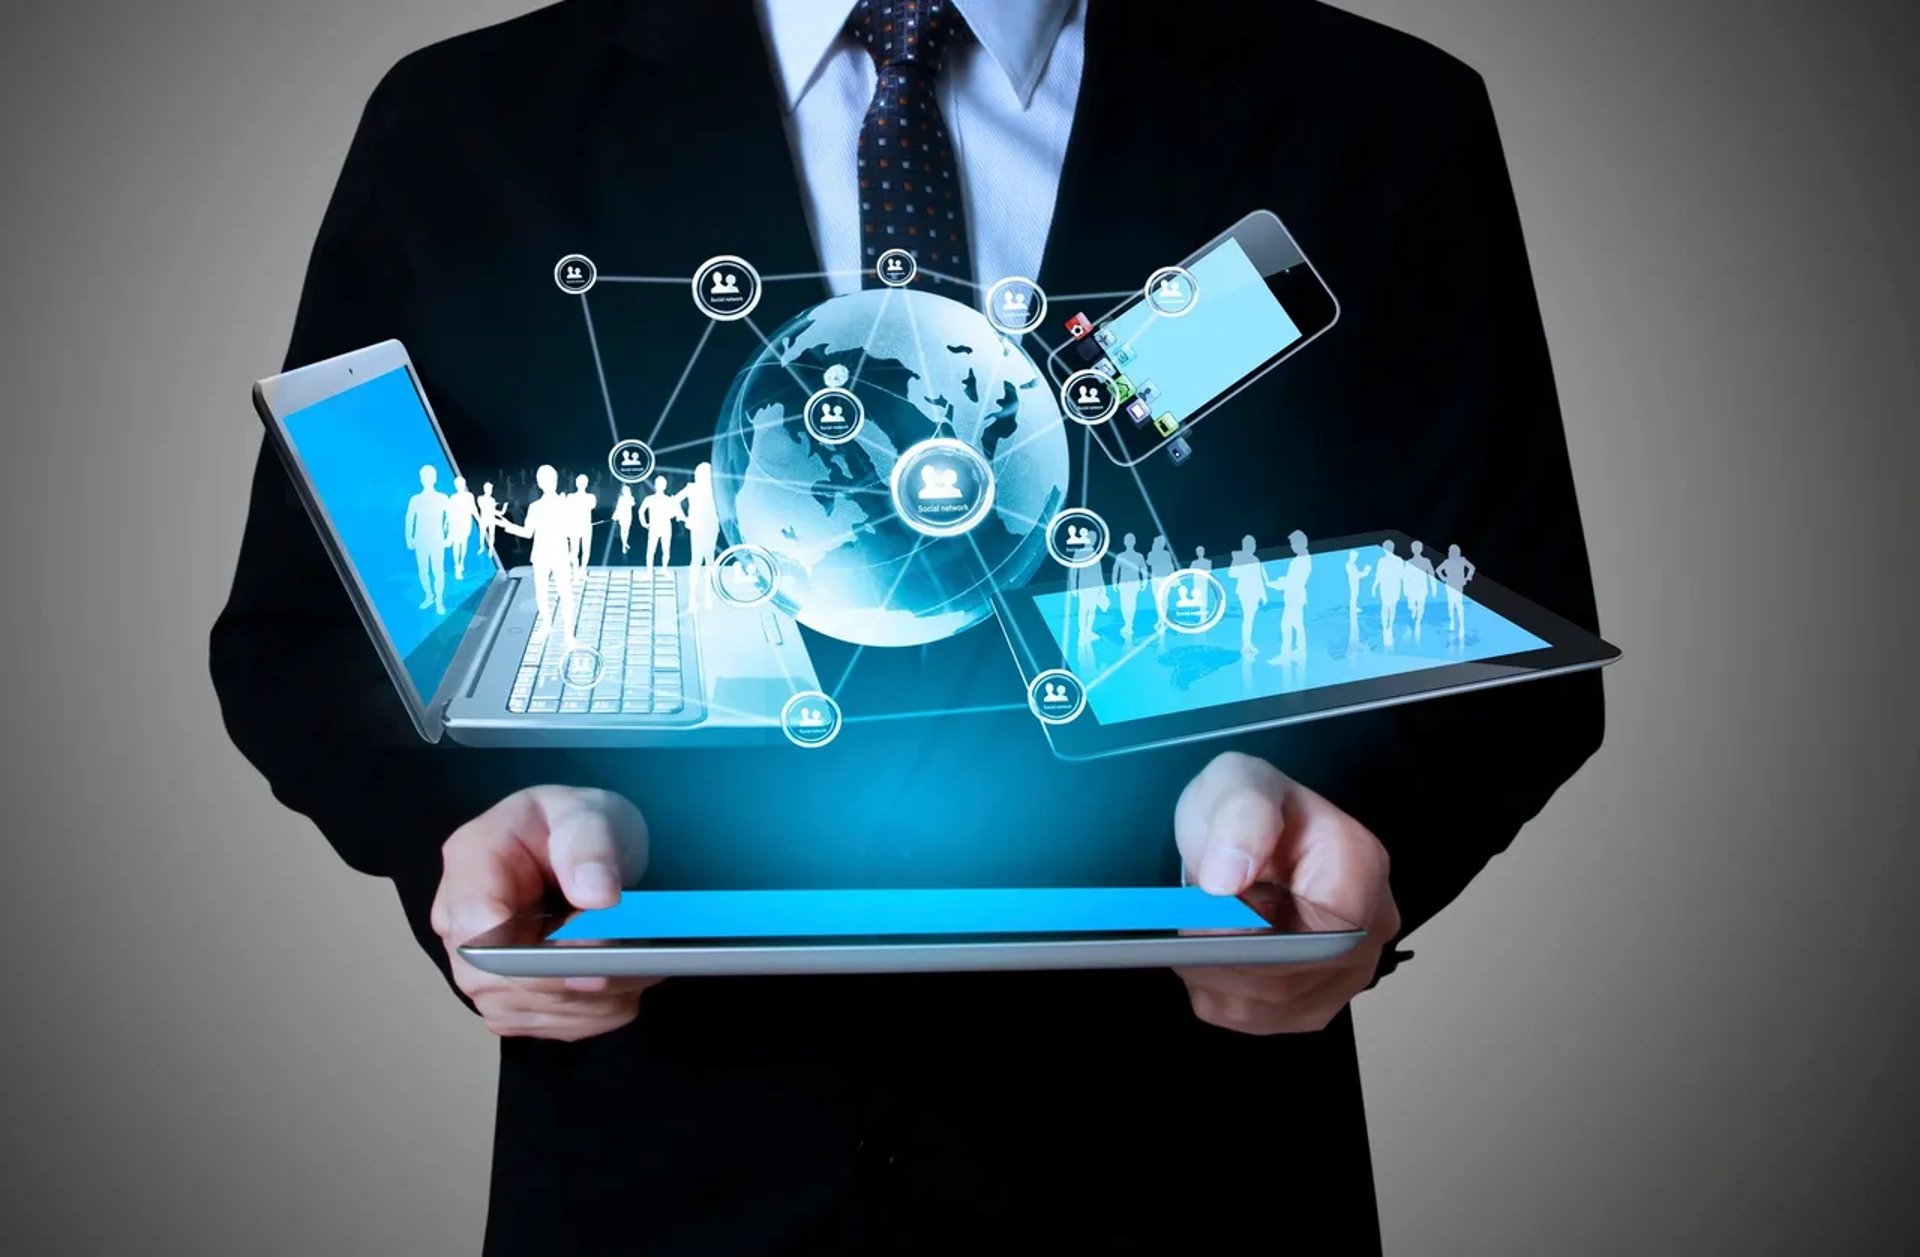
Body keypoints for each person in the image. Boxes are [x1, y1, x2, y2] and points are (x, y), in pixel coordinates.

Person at [211, 4, 1605, 1251]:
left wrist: (1349, 826)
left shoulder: (1378, 117)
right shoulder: (469, 127)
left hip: (1190, 1176)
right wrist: (465, 829)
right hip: (664, 1178)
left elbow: (1502, 619)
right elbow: (309, 631)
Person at [491, 464, 575, 646]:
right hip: (542, 554)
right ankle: (547, 626)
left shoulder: (563, 504)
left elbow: (570, 530)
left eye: (551, 479)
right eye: (546, 479)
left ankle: (568, 633)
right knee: (542, 592)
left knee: (564, 593)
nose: (549, 482)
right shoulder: (536, 507)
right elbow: (528, 533)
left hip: (559, 554)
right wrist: (509, 526)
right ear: (540, 483)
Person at [402, 465, 451, 615]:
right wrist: (409, 538)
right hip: (420, 540)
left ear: (434, 478)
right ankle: (429, 596)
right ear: (421, 479)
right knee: (423, 570)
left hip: (437, 539)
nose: (427, 479)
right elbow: (409, 519)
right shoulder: (415, 499)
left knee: (438, 571)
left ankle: (439, 601)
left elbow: (450, 518)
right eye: (424, 477)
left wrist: (448, 536)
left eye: (429, 476)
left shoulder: (442, 498)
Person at [1266, 529, 1314, 664]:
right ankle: (1299, 651)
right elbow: (1292, 579)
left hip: (1295, 597)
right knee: (1296, 625)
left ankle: (1286, 655)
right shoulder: (1301, 559)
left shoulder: (1301, 560)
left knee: (1286, 625)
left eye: (1293, 543)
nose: (1292, 546)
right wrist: (1282, 582)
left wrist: (1278, 585)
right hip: (1295, 596)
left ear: (1301, 543)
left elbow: (1294, 581)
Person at [676, 462, 720, 605]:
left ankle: (703, 596)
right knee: (702, 560)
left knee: (705, 560)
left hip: (709, 526)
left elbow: (675, 501)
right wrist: (684, 518)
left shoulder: (712, 488)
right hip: (701, 526)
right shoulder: (695, 488)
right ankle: (696, 597)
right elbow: (675, 501)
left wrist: (684, 518)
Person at [1227, 534, 1268, 656]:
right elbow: (1231, 573)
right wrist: (1244, 570)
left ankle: (1248, 644)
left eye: (1253, 545)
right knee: (1247, 618)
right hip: (1244, 591)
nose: (1252, 547)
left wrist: (1263, 595)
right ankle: (1246, 645)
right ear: (1244, 546)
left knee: (1250, 619)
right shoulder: (1239, 558)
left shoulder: (1255, 559)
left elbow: (1259, 578)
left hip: (1254, 592)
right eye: (1250, 545)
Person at [1437, 543, 1479, 642]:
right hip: (1450, 583)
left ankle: (1461, 624)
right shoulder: (1447, 562)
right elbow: (1438, 570)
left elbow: (1472, 568)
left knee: (1458, 603)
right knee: (1451, 603)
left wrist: (1468, 577)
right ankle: (1452, 622)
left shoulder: (1462, 560)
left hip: (1458, 583)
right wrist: (1444, 578)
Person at [1111, 533, 1149, 643]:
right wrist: (1114, 582)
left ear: (1134, 542)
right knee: (1125, 604)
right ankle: (1127, 624)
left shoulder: (1139, 556)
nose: (1129, 542)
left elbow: (1144, 569)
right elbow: (1115, 570)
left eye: (1131, 540)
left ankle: (1129, 624)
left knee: (1131, 603)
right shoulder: (1120, 556)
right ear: (1125, 542)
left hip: (1133, 583)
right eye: (1127, 540)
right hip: (1124, 584)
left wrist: (1145, 581)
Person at [638, 474, 680, 571]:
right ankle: (649, 571)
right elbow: (641, 511)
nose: (660, 486)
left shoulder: (668, 500)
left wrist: (674, 505)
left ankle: (664, 570)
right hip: (655, 527)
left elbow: (673, 514)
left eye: (662, 484)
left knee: (665, 550)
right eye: (659, 484)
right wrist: (644, 523)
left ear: (665, 486)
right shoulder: (650, 499)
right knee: (651, 551)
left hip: (665, 527)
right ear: (655, 485)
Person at [1372, 537, 1407, 650]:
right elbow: (1402, 576)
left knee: (1386, 607)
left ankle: (1387, 627)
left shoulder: (1385, 561)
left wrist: (1374, 587)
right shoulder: (1394, 560)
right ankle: (1388, 627)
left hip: (1389, 586)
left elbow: (1379, 576)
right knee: (1391, 607)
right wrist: (1374, 586)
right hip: (1391, 586)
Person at [446, 475, 478, 580]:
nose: (460, 485)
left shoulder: (469, 496)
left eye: (461, 483)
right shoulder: (453, 497)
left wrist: (479, 519)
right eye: (458, 484)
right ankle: (457, 567)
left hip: (465, 522)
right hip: (456, 523)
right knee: (456, 544)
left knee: (463, 543)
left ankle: (461, 563)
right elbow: (449, 512)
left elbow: (473, 509)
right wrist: (446, 524)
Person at [1405, 538, 1437, 641]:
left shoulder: (1426, 561)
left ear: (1421, 549)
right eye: (1414, 547)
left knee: (1421, 606)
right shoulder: (1409, 562)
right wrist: (1405, 589)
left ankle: (1418, 622)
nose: (1415, 549)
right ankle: (1414, 613)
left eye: (1417, 547)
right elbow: (1405, 578)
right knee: (1411, 606)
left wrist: (1434, 589)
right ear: (1412, 549)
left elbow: (1431, 575)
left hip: (1422, 588)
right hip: (1412, 588)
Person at [567, 472, 597, 573]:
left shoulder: (591, 497)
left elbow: (591, 506)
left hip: (585, 526)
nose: (581, 484)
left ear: (586, 484)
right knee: (574, 550)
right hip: (575, 526)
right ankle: (576, 570)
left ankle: (582, 569)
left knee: (585, 549)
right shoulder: (570, 497)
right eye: (580, 482)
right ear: (576, 483)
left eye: (583, 482)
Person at [1345, 547, 1372, 633]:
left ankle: (1354, 608)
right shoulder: (1349, 564)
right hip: (1353, 582)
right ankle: (1352, 609)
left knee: (1355, 595)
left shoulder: (1352, 564)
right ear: (1352, 556)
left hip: (1355, 581)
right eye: (1355, 556)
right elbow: (1355, 575)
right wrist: (1364, 573)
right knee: (1354, 595)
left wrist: (1364, 573)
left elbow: (1357, 574)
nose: (1356, 558)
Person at [476, 480, 503, 559]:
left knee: (492, 534)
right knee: (482, 534)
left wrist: (502, 510)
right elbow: (483, 507)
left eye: (491, 489)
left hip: (491, 519)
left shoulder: (492, 500)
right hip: (484, 519)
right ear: (485, 489)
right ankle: (482, 547)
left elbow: (494, 511)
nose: (490, 490)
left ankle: (491, 549)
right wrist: (491, 506)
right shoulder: (480, 498)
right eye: (488, 489)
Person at [612, 484, 635, 556]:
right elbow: (618, 507)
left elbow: (633, 504)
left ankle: (625, 543)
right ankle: (624, 545)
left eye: (627, 490)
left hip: (628, 516)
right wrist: (615, 516)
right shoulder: (621, 498)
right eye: (625, 490)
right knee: (623, 530)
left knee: (627, 530)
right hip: (622, 516)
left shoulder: (631, 497)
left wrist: (630, 496)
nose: (626, 491)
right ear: (623, 491)